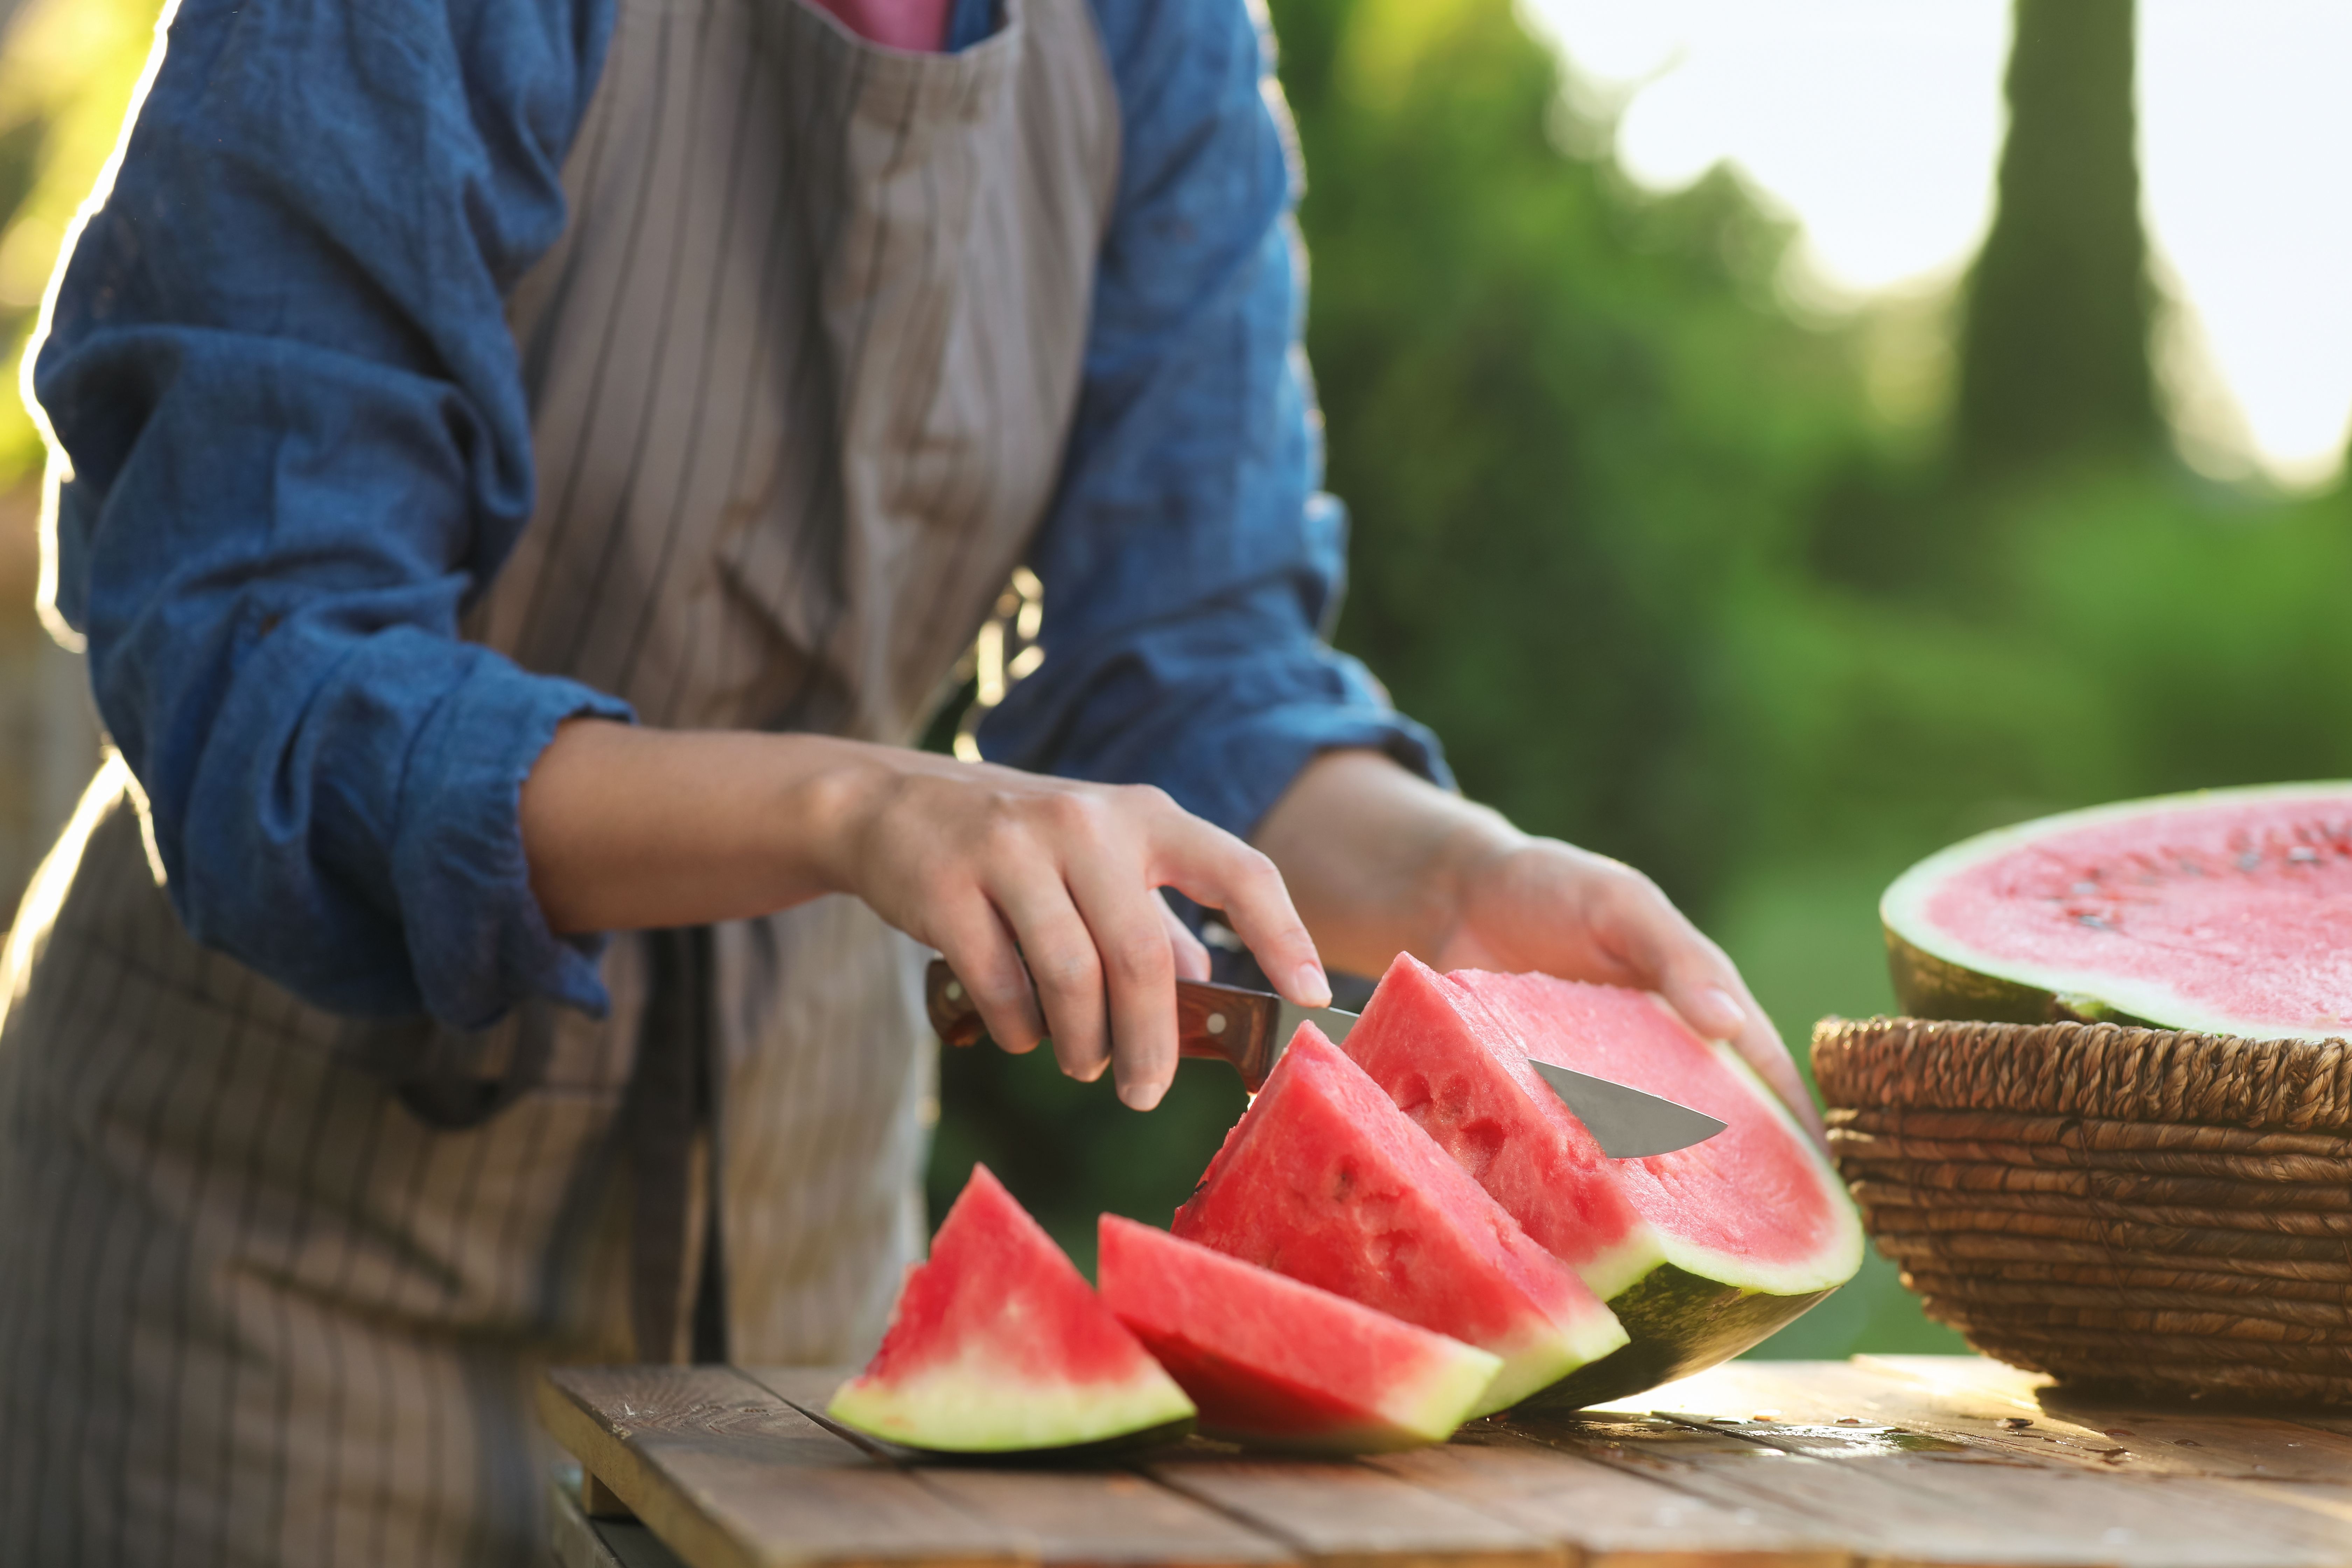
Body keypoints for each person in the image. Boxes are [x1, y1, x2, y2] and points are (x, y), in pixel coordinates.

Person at [0, 0, 1819, 1560]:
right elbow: (263, 664)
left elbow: (1184, 664)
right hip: (244, 1271)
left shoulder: (1158, 32)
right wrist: (861, 809)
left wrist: (1451, 883)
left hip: (800, 1285)